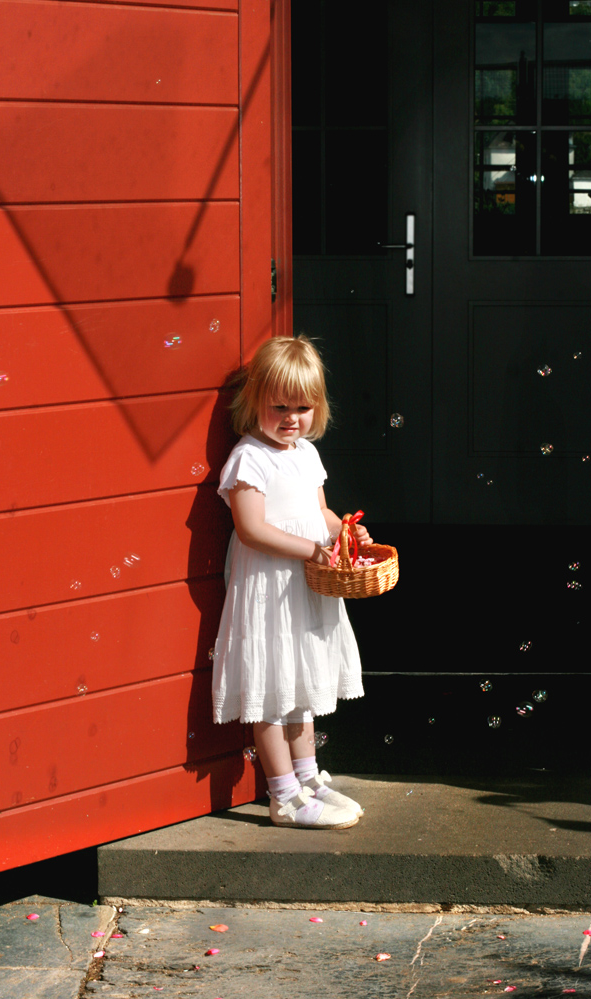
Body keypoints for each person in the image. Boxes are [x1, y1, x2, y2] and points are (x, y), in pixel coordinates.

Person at [212, 335, 372, 829]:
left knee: (301, 680)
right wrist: (311, 549)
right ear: (255, 400)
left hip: (304, 587)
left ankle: (307, 778)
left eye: (302, 408)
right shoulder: (249, 458)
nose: (291, 418)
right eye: (279, 406)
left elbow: (318, 511)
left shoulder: (304, 453)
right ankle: (282, 794)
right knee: (273, 684)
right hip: (269, 589)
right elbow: (252, 528)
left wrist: (344, 531)